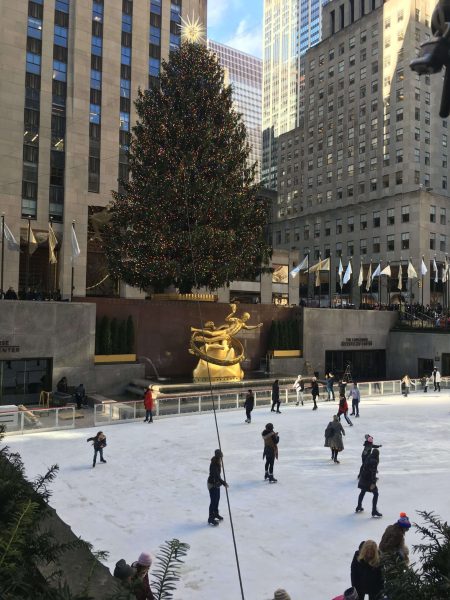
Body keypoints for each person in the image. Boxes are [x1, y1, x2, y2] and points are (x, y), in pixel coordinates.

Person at [356, 448, 382, 517]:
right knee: (376, 494)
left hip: (363, 478)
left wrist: (374, 470)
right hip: (368, 480)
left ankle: (359, 506)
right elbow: (372, 474)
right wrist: (373, 483)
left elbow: (366, 466)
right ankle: (374, 511)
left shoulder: (369, 457)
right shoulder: (375, 461)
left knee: (362, 492)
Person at [207, 449, 228, 525]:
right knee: (213, 501)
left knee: (217, 499)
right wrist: (224, 483)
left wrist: (221, 483)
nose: (221, 458)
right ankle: (210, 518)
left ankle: (216, 514)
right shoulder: (214, 464)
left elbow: (218, 477)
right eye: (221, 457)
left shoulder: (218, 462)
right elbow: (217, 476)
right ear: (218, 457)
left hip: (217, 484)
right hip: (212, 484)